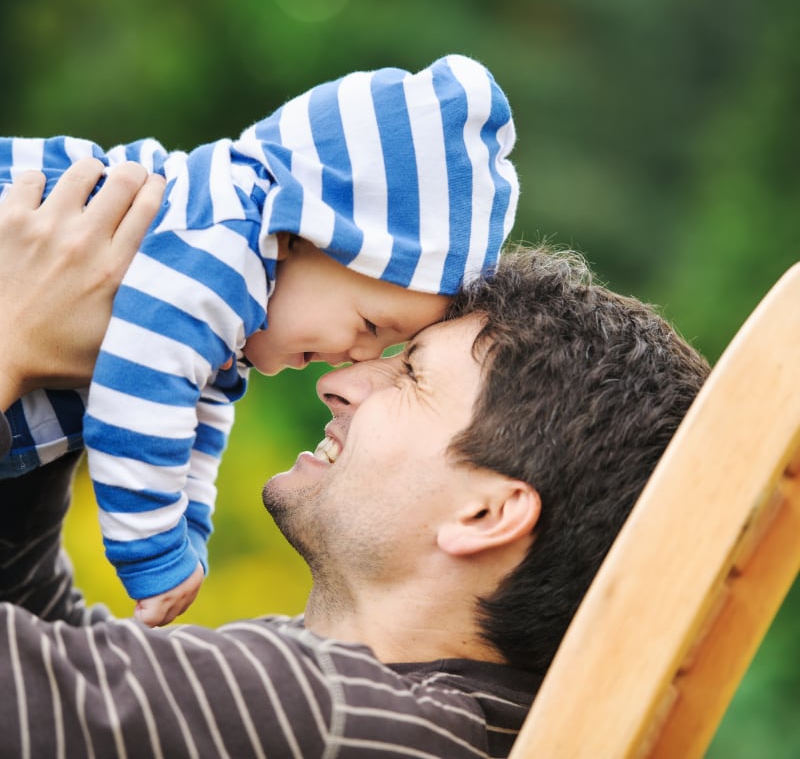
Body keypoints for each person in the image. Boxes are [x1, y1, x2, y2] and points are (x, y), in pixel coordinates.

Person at [0, 166, 710, 758]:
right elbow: (54, 650)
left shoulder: (335, 720)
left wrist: (12, 337)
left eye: (411, 376)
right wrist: (71, 374)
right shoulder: (425, 721)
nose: (337, 381)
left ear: (488, 513)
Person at [0, 54, 519, 627]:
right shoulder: (217, 246)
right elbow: (138, 402)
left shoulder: (230, 311)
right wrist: (154, 555)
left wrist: (189, 535)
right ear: (302, 233)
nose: (362, 357)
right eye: (371, 325)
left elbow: (192, 423)